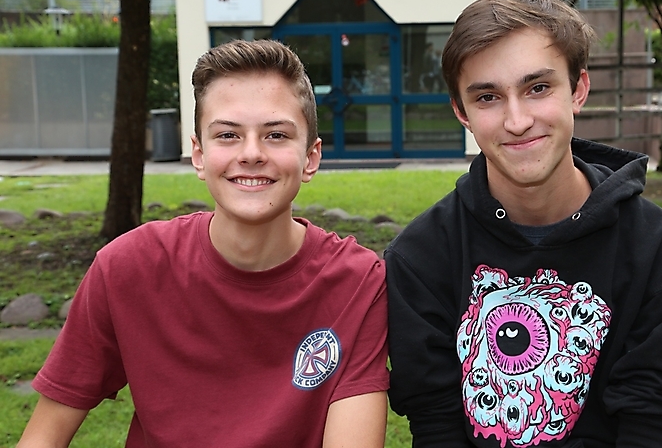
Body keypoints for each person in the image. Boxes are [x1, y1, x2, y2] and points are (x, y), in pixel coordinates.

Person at [18, 39, 389, 447]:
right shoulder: (128, 267)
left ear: (311, 158)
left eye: (276, 134)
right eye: (228, 134)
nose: (251, 154)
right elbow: (42, 438)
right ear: (198, 154)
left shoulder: (357, 281)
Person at [384, 0, 662, 447]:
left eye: (537, 88)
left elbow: (648, 422)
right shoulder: (419, 257)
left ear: (578, 89)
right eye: (488, 97)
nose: (517, 120)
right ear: (461, 112)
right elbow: (434, 424)